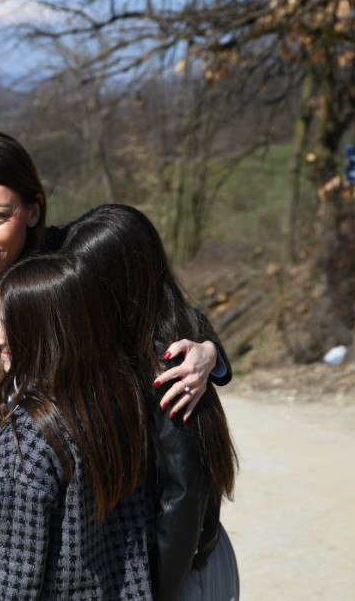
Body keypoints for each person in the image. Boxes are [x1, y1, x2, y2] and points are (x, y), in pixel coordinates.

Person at [0, 132, 233, 549]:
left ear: (33, 210)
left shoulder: (71, 263)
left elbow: (155, 301)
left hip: (97, 518)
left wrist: (207, 350)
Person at [0, 252, 157, 598]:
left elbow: (12, 585)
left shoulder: (27, 447)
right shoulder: (115, 402)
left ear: (41, 332)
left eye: (4, 324)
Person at [62, 204, 239, 600]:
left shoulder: (166, 360)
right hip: (181, 561)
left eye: (85, 283)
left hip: (179, 573)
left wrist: (156, 591)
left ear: (120, 282)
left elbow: (182, 495)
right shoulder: (169, 328)